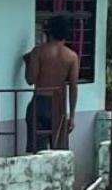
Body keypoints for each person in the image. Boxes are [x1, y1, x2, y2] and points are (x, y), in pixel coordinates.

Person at [23, 14, 80, 152]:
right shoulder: (72, 57)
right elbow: (73, 87)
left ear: (50, 32)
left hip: (39, 102)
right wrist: (71, 115)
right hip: (58, 105)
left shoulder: (38, 52)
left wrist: (27, 62)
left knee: (36, 153)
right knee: (58, 152)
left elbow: (30, 80)